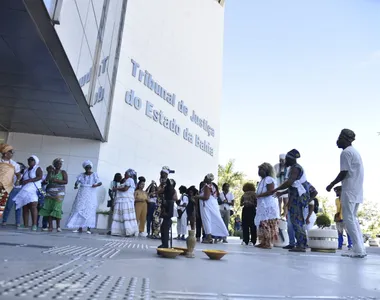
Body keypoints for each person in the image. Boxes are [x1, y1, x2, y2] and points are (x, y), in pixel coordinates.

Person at [326, 129, 365, 258]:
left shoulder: (346, 153)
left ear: (347, 140)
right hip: (357, 190)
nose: (337, 141)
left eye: (340, 138)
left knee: (348, 219)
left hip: (349, 190)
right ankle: (359, 248)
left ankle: (358, 250)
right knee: (353, 219)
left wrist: (331, 184)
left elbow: (344, 172)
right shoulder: (355, 152)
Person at [272, 149, 310, 252]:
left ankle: (301, 245)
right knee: (295, 221)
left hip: (298, 198)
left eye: (287, 159)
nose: (285, 162)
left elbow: (289, 182)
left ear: (291, 159)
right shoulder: (293, 168)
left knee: (296, 221)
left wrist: (276, 189)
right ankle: (300, 243)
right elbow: (293, 187)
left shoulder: (295, 169)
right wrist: (281, 193)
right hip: (295, 196)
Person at [66, 160, 102, 234]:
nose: (88, 169)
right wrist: (75, 185)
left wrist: (96, 185)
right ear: (84, 168)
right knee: (80, 209)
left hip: (90, 193)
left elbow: (100, 182)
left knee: (89, 209)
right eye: (86, 167)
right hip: (82, 193)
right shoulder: (81, 175)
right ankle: (79, 228)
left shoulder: (94, 174)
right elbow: (77, 182)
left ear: (91, 167)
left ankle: (88, 228)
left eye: (89, 167)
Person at [194, 174, 229, 244]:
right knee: (211, 219)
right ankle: (211, 236)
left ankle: (209, 237)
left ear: (208, 179)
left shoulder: (207, 186)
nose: (204, 178)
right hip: (212, 204)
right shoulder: (212, 186)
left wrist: (196, 197)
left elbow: (206, 197)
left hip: (207, 205)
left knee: (206, 219)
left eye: (205, 177)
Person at [14, 155, 43, 231]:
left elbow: (40, 177)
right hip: (25, 189)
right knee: (25, 207)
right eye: (29, 160)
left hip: (34, 189)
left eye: (31, 160)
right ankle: (25, 224)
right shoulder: (26, 170)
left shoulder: (38, 168)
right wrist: (19, 182)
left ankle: (34, 225)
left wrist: (28, 181)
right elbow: (22, 179)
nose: (29, 161)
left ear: (35, 161)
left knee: (33, 206)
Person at [255, 163, 280, 249]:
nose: (260, 171)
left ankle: (268, 243)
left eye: (262, 169)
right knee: (262, 223)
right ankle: (263, 241)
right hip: (262, 204)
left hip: (269, 205)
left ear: (267, 171)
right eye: (259, 170)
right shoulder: (262, 180)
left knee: (267, 224)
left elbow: (271, 191)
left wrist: (258, 196)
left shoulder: (269, 179)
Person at [39, 158, 68, 232]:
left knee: (57, 208)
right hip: (49, 192)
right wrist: (49, 172)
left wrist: (57, 180)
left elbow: (66, 181)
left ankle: (58, 226)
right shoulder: (51, 172)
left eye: (60, 164)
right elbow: (46, 181)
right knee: (49, 208)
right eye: (58, 163)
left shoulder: (63, 172)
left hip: (59, 193)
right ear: (54, 164)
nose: (59, 165)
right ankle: (50, 226)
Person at [111, 169, 139, 237]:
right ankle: (120, 231)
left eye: (125, 173)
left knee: (125, 216)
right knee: (121, 216)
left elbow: (125, 189)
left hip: (125, 201)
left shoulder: (130, 180)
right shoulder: (127, 181)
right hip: (122, 200)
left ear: (129, 174)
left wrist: (116, 189)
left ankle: (128, 231)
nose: (124, 174)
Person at [0, 144, 21, 219]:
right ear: (6, 154)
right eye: (11, 152)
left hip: (6, 188)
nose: (12, 154)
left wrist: (17, 180)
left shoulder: (14, 164)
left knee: (1, 205)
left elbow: (18, 174)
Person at [2, 162, 25, 228]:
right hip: (13, 190)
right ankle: (4, 221)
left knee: (18, 208)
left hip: (20, 190)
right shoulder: (12, 174)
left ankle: (18, 222)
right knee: (9, 206)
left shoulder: (23, 175)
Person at [157, 167, 175, 249]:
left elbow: (164, 191)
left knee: (165, 226)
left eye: (162, 173)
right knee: (163, 227)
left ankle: (165, 244)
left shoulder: (168, 183)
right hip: (166, 202)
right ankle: (164, 243)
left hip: (168, 203)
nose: (161, 174)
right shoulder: (165, 182)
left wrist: (155, 192)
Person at [333, 186, 353, 250]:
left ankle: (350, 245)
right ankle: (339, 245)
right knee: (339, 232)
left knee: (348, 232)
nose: (336, 192)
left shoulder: (346, 199)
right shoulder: (336, 200)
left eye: (338, 191)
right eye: (336, 191)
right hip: (339, 218)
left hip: (345, 217)